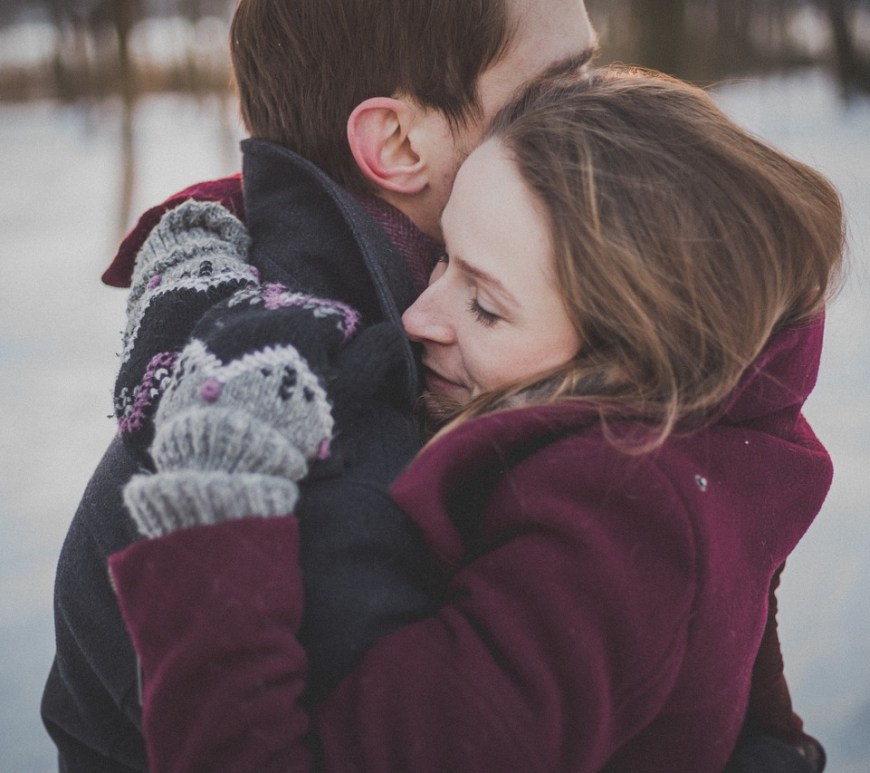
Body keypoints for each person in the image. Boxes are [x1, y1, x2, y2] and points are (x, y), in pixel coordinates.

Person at [105, 66, 843, 771]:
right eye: (443, 256)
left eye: (486, 305)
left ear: (631, 357)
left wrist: (215, 504)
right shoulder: (721, 436)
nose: (420, 316)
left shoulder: (610, 536)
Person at [42, 1, 600, 769]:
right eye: (559, 89)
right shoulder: (316, 446)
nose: (607, 114)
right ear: (398, 142)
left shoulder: (445, 341)